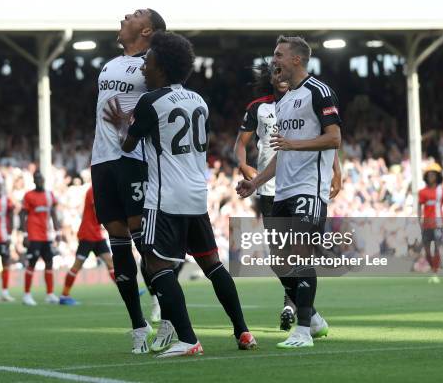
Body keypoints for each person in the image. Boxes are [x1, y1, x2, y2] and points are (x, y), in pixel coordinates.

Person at [105, 31, 257, 358]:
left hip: (165, 197)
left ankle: (188, 339)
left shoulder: (150, 102)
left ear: (161, 64)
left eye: (148, 60)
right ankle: (243, 331)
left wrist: (121, 125)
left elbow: (128, 145)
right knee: (213, 265)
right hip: (196, 195)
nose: (144, 66)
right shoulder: (198, 100)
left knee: (156, 265)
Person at [237, 35, 340, 348]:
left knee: (299, 253)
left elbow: (334, 138)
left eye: (279, 55)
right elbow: (282, 154)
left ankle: (304, 330)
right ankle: (316, 318)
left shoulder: (319, 92)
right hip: (281, 190)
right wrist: (255, 182)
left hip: (310, 189)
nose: (274, 61)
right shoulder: (282, 102)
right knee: (279, 261)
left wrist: (298, 145)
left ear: (296, 59)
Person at [90, 8, 166, 353]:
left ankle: (166, 313)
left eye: (134, 15)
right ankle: (138, 326)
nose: (124, 15)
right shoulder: (109, 65)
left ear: (147, 30)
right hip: (101, 162)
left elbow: (163, 111)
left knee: (143, 242)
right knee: (117, 244)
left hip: (132, 159)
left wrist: (129, 127)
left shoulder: (153, 63)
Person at [59, 185, 115, 305]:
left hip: (97, 235)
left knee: (110, 262)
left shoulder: (101, 190)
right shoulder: (94, 190)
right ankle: (64, 295)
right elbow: (98, 212)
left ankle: (129, 292)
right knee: (77, 266)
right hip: (87, 234)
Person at [20, 172, 61, 306]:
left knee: (49, 263)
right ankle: (26, 294)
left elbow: (54, 214)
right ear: (33, 181)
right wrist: (25, 234)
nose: (38, 181)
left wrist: (58, 231)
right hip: (33, 235)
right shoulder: (28, 195)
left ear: (43, 180)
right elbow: (23, 215)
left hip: (47, 235)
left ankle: (49, 294)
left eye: (40, 179)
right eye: (36, 179)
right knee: (32, 263)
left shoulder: (50, 195)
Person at [418, 162, 443, 284]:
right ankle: (434, 267)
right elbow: (419, 208)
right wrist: (419, 221)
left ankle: (435, 272)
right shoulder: (422, 192)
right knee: (427, 250)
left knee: (437, 247)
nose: (431, 177)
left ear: (437, 176)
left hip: (438, 223)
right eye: (429, 175)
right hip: (426, 223)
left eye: (433, 175)